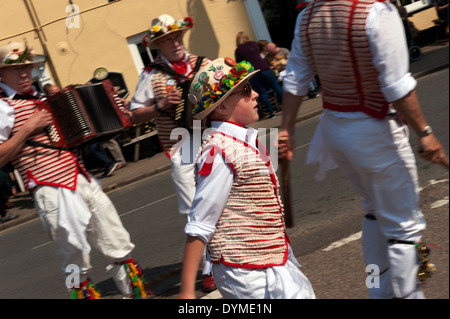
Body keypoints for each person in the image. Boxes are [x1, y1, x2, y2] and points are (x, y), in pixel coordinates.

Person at [279, 0, 446, 299]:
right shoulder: (376, 12)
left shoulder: (307, 16)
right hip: (374, 132)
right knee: (403, 227)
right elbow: (396, 86)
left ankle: (377, 291)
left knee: (373, 211)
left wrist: (286, 128)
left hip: (335, 129)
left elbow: (295, 79)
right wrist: (426, 132)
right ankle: (409, 296)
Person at [0, 41, 151, 299]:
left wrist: (113, 108)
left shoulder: (43, 98)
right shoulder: (3, 107)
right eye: (16, 69)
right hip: (49, 187)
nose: (25, 73)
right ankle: (79, 294)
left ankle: (135, 294)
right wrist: (27, 128)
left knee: (116, 239)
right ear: (1, 75)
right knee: (72, 257)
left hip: (80, 177)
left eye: (28, 67)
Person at [179, 58, 315, 299]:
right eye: (244, 90)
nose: (254, 94)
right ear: (221, 107)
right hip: (244, 270)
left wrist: (275, 158)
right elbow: (200, 223)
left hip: (270, 259)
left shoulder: (244, 140)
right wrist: (187, 292)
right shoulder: (217, 152)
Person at [129, 14, 215, 292]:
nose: (175, 43)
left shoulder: (204, 64)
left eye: (177, 37)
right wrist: (161, 105)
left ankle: (227, 259)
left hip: (212, 139)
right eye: (168, 40)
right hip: (181, 147)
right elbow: (133, 116)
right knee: (195, 210)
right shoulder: (151, 75)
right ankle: (210, 265)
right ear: (158, 46)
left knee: (225, 198)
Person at [235, 32, 283, 118]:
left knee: (262, 92)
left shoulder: (238, 50)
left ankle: (272, 113)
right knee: (276, 87)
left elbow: (239, 64)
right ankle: (287, 106)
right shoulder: (254, 44)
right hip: (264, 67)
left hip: (253, 72)